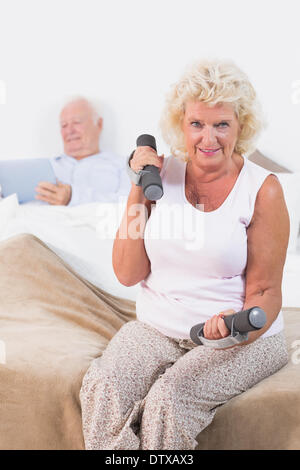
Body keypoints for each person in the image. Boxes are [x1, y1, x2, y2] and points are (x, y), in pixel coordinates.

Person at [79, 60, 290, 450]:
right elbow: (127, 274)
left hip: (241, 335)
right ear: (181, 125)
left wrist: (235, 324)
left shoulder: (263, 190)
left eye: (221, 124)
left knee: (168, 401)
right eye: (197, 124)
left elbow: (266, 292)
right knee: (102, 388)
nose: (208, 138)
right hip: (158, 327)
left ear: (241, 126)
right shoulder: (161, 176)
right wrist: (137, 188)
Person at [35, 97, 130, 205]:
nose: (69, 131)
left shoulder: (124, 165)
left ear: (99, 124)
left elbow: (129, 203)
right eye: (64, 125)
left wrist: (74, 197)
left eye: (76, 122)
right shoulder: (46, 166)